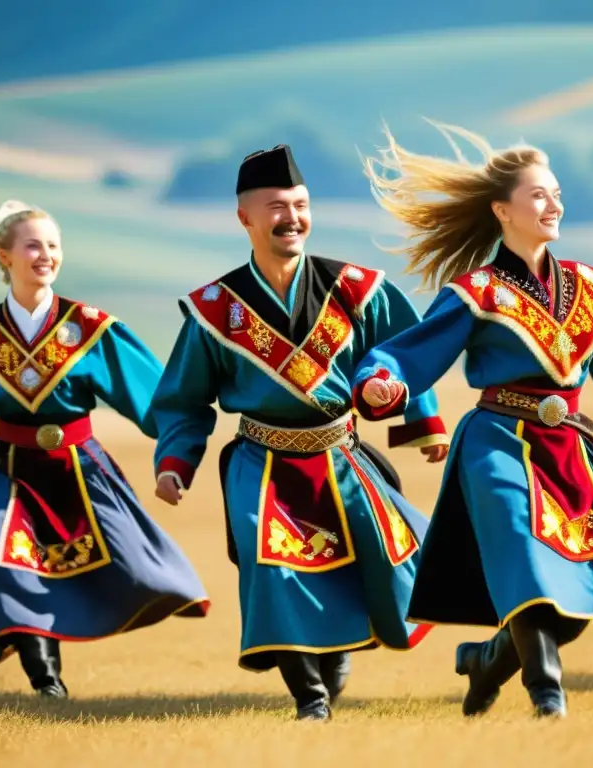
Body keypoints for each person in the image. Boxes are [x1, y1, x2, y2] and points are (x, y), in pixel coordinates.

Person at [349, 121, 593, 719]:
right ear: (501, 210)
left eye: (556, 193)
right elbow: (412, 352)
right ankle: (547, 696)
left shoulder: (590, 289)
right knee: (527, 566)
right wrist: (384, 380)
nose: (553, 203)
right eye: (538, 194)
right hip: (496, 445)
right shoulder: (475, 291)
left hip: (571, 450)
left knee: (589, 587)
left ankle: (487, 660)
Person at [148, 144, 449, 721]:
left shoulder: (359, 288)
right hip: (261, 463)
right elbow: (184, 399)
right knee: (275, 564)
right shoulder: (215, 310)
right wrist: (174, 461)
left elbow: (407, 353)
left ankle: (336, 660)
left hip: (342, 451)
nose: (292, 216)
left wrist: (420, 418)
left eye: (301, 204)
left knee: (382, 559)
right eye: (276, 206)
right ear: (245, 218)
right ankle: (308, 697)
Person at [0, 201, 210, 698]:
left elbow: (157, 398)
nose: (46, 255)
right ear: (4, 256)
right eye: (33, 245)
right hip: (9, 473)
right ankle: (47, 679)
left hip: (81, 470)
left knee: (132, 564)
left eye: (54, 245)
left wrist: (175, 452)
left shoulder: (91, 329)